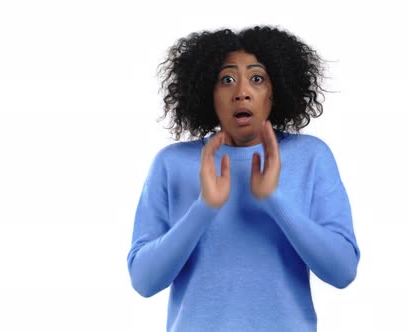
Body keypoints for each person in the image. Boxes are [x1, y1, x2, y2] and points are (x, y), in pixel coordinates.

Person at [127, 26, 360, 332]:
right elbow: (144, 281)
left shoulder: (311, 157)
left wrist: (274, 201)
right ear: (208, 92)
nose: (242, 92)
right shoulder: (172, 163)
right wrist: (204, 208)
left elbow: (342, 272)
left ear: (274, 91)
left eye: (257, 78)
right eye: (227, 80)